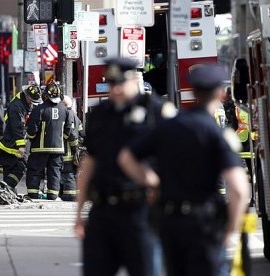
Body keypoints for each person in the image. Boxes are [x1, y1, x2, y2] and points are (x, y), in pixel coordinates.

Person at [119, 63, 249, 276]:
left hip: (170, 222)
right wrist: (231, 229)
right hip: (204, 224)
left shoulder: (168, 126)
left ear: (194, 91)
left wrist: (152, 182)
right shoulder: (217, 134)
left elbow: (126, 158)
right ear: (220, 93)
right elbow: (238, 188)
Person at [74, 58, 176, 276]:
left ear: (135, 80)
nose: (116, 89)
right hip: (102, 210)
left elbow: (173, 159)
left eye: (121, 83)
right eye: (111, 84)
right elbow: (90, 162)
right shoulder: (100, 114)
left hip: (140, 210)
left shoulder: (156, 112)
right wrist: (79, 213)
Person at [25, 83, 76, 200]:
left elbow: (32, 129)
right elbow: (68, 131)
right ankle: (53, 194)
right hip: (58, 149)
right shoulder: (65, 111)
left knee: (35, 170)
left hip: (39, 148)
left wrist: (32, 138)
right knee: (54, 172)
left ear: (46, 95)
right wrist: (59, 138)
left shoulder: (39, 109)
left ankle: (33, 193)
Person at [0, 85, 43, 190]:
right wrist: (21, 145)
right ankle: (4, 189)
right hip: (9, 145)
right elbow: (17, 127)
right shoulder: (17, 106)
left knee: (11, 170)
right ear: (27, 96)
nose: (32, 103)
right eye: (31, 100)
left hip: (10, 143)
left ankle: (6, 190)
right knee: (21, 167)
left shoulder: (24, 104)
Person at [59, 95, 82, 201]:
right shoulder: (76, 116)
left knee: (67, 173)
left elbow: (71, 133)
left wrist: (74, 146)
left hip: (67, 150)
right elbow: (80, 132)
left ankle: (70, 194)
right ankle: (64, 192)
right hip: (72, 151)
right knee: (70, 172)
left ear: (64, 104)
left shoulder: (67, 115)